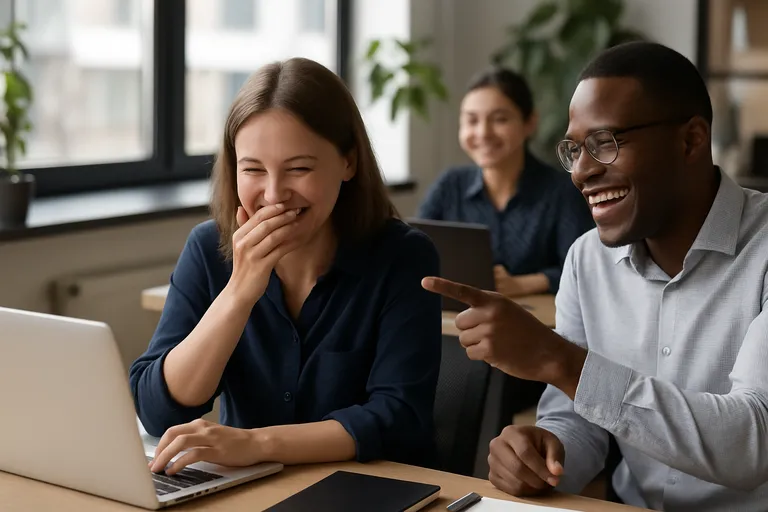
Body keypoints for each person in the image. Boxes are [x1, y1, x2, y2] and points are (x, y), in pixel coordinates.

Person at [422, 41, 768, 511]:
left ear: (690, 140)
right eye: (574, 149)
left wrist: (560, 361)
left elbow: (753, 443)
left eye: (605, 143)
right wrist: (545, 450)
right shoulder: (587, 261)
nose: (581, 172)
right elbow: (579, 420)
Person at [129, 57, 442, 476]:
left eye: (299, 169)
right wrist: (239, 293)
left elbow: (397, 416)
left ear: (348, 162)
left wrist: (256, 443)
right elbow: (156, 410)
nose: (274, 195)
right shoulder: (208, 247)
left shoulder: (404, 257)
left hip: (371, 489)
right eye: (253, 170)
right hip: (250, 490)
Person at [417, 67, 593, 298]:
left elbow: (586, 270)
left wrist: (522, 284)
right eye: (472, 120)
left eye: (499, 119)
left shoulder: (561, 192)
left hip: (537, 323)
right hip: (455, 318)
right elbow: (414, 252)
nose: (483, 133)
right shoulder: (450, 185)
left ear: (529, 123)